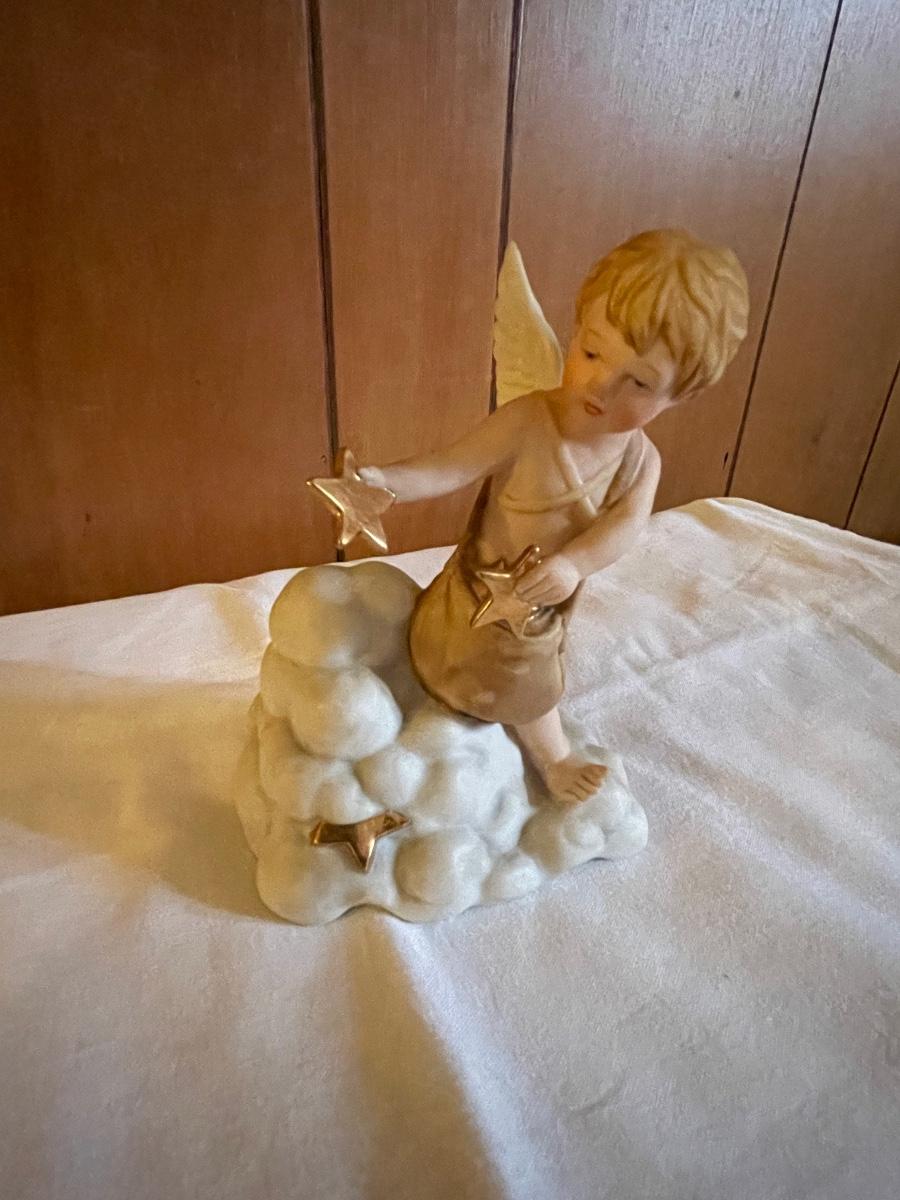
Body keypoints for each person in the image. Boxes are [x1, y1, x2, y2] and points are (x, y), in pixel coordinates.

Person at [357, 229, 749, 802]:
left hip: (536, 609)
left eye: (639, 383)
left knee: (533, 686)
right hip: (473, 589)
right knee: (440, 654)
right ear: (577, 329)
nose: (600, 384)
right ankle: (417, 720)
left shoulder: (640, 463)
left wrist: (573, 564)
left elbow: (624, 529)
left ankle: (554, 758)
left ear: (680, 396)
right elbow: (452, 466)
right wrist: (387, 483)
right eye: (591, 352)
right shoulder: (527, 421)